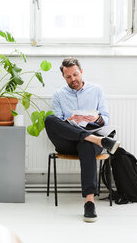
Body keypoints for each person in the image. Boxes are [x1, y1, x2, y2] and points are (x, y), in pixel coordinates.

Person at [44, 57, 120, 223]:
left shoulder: (96, 90)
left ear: (81, 72)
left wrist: (96, 118)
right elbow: (57, 123)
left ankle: (89, 202)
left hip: (91, 137)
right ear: (64, 77)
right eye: (69, 77)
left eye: (75, 75)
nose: (73, 79)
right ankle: (96, 140)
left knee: (87, 142)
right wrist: (69, 120)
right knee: (50, 120)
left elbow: (105, 118)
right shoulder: (58, 95)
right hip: (68, 141)